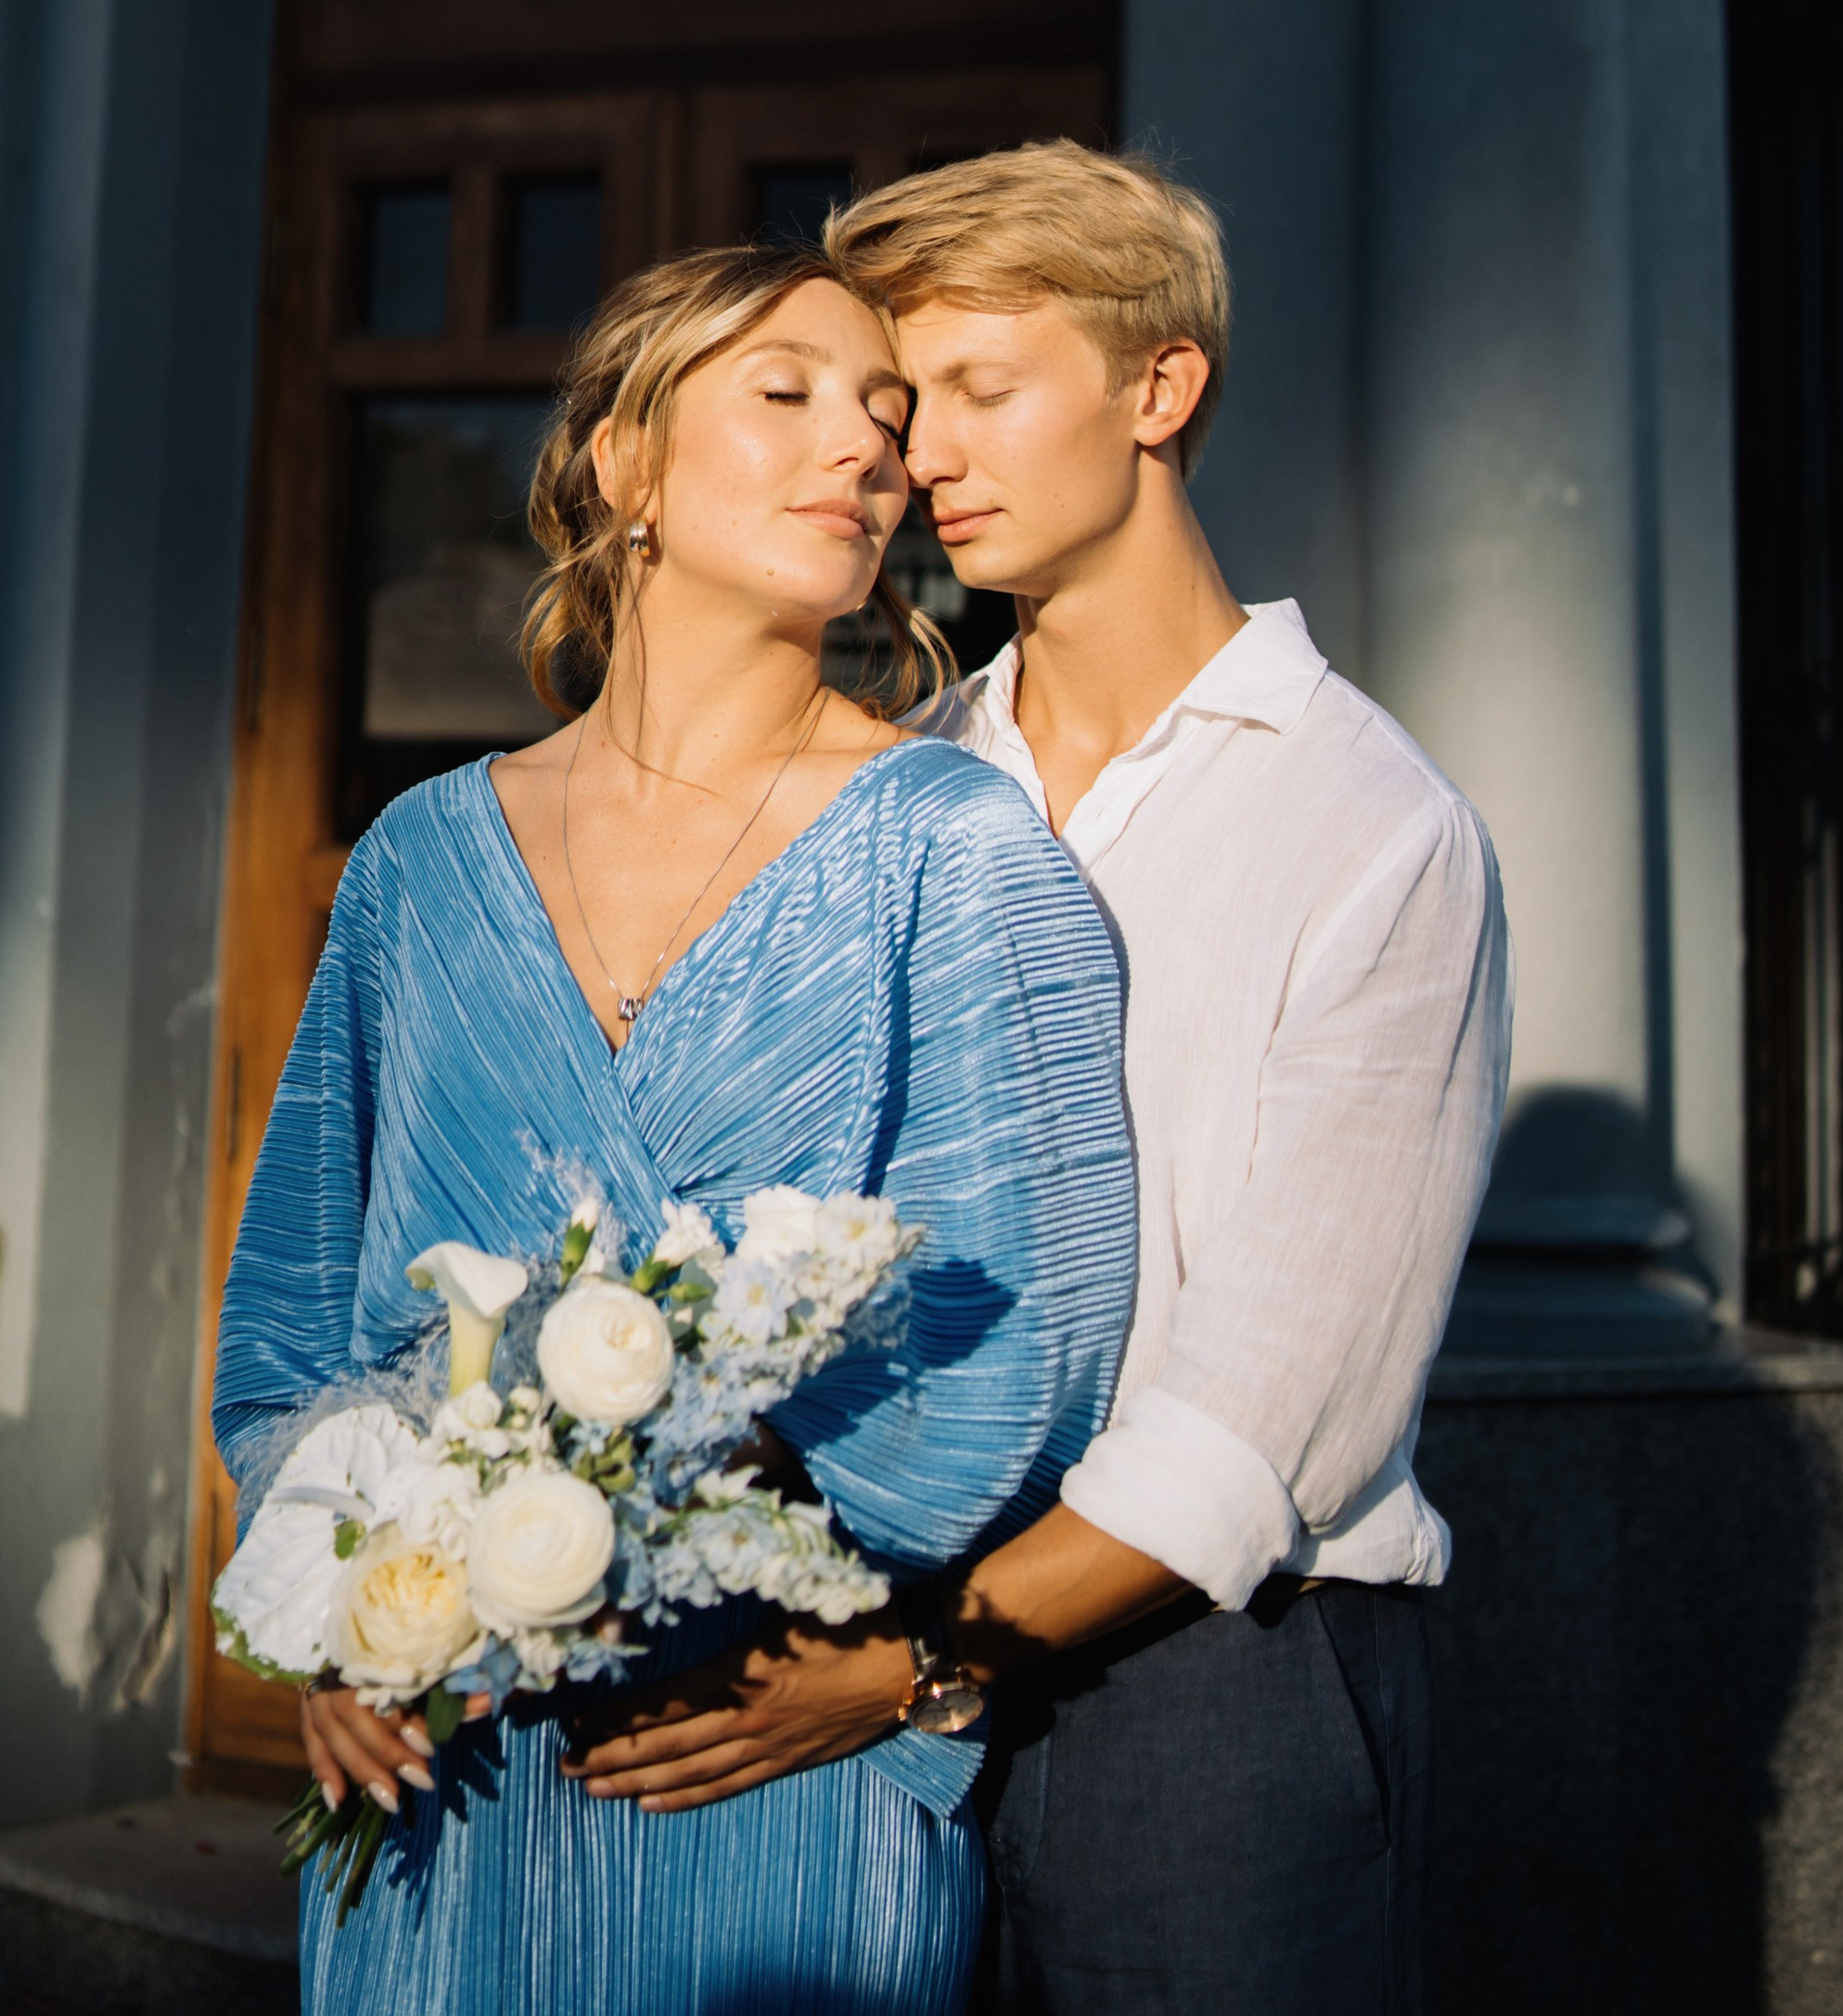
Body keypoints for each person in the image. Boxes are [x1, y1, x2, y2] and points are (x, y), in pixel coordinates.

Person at [570, 145, 1510, 2016]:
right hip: (846, 1641)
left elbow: (1269, 1420)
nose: (916, 460)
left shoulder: (1371, 823)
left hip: (1204, 1690)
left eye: (981, 394)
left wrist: (921, 1666)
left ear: (1157, 391)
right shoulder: (893, 782)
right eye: (910, 411)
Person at [212, 241, 1136, 2015]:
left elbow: (1030, 1335)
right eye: (785, 394)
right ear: (624, 465)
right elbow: (298, 1313)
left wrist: (780, 1588)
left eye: (887, 420)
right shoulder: (417, 860)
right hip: (447, 1780)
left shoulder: (958, 853)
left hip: (771, 1747)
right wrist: (348, 1612)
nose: (866, 452)